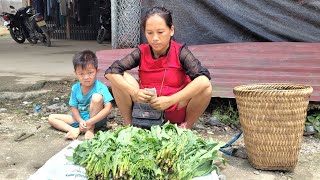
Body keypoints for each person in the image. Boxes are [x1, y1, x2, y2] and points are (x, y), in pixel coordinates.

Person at [104, 7, 212, 129]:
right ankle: (129, 125)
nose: (155, 38)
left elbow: (204, 79)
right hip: (146, 107)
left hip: (174, 107)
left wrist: (170, 100)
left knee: (205, 88)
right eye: (149, 33)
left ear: (171, 30)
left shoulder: (180, 52)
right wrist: (135, 92)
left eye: (160, 32)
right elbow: (110, 72)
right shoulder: (142, 51)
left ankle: (186, 126)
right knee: (119, 78)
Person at [48, 50, 113, 140]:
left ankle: (90, 129)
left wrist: (90, 122)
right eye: (81, 74)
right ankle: (74, 130)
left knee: (97, 97)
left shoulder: (101, 87)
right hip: (80, 119)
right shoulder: (75, 88)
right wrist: (80, 121)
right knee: (52, 118)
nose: (86, 77)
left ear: (97, 71)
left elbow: (108, 108)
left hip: (95, 120)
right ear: (76, 74)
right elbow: (74, 108)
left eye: (90, 73)